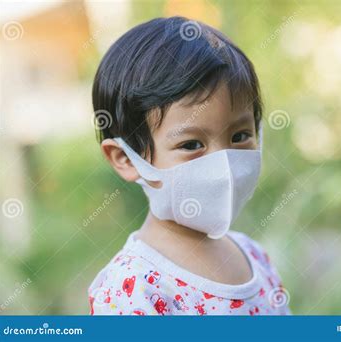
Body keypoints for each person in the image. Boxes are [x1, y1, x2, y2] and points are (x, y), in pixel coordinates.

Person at [88, 16, 290, 315]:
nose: (223, 163)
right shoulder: (133, 289)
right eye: (192, 144)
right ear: (127, 159)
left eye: (240, 136)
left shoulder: (254, 256)